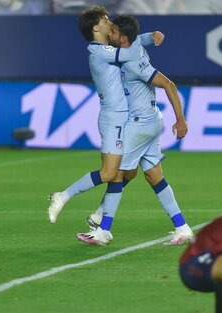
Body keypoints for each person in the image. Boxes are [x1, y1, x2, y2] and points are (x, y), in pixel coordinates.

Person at [47, 6, 163, 242]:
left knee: (127, 172)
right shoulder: (99, 52)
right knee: (111, 172)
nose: (110, 22)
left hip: (123, 117)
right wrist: (145, 38)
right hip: (114, 118)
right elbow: (129, 51)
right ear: (96, 27)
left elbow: (127, 43)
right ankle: (63, 196)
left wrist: (150, 37)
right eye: (106, 19)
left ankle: (102, 219)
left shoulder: (105, 48)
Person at [78, 15, 193, 246]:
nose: (109, 34)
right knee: (154, 176)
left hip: (140, 123)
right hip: (148, 121)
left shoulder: (134, 63)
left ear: (122, 38)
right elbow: (139, 39)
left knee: (117, 173)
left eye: (113, 32)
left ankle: (103, 230)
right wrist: (152, 36)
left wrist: (181, 120)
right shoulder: (128, 47)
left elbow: (168, 84)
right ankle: (182, 227)